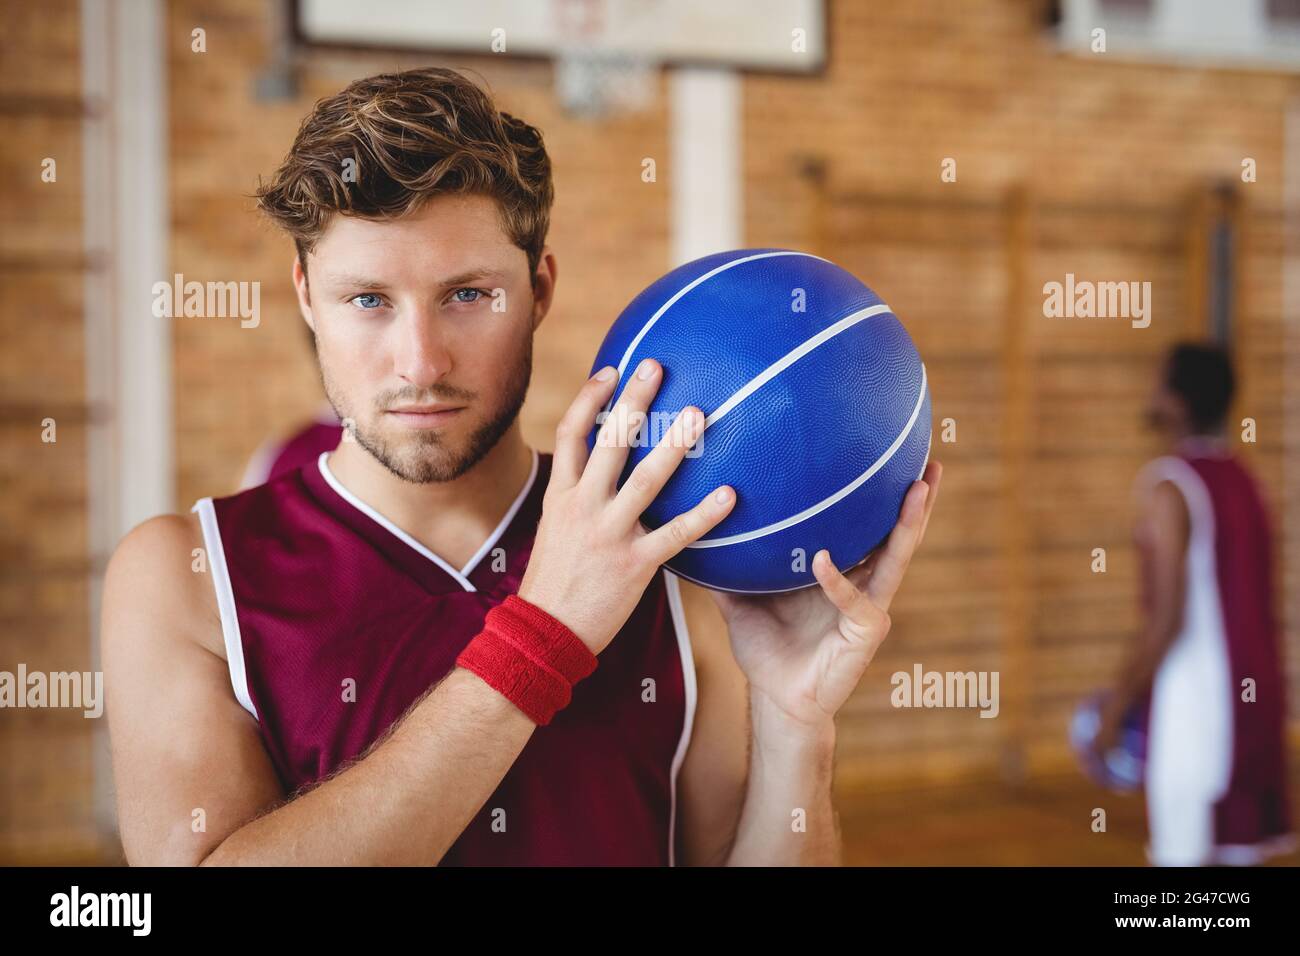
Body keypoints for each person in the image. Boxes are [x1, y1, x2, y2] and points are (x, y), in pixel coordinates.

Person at [102, 67, 940, 865]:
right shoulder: (185, 577)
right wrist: (544, 636)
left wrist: (796, 724)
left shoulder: (674, 555)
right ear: (304, 299)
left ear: (539, 290)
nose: (420, 362)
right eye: (368, 301)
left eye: (467, 295)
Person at [1097, 342, 1292, 865]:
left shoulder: (1170, 487)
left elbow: (1166, 620)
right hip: (1256, 698)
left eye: (1160, 383)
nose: (1151, 393)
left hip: (1196, 705)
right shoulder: (1244, 479)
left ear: (1179, 402)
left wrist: (1115, 708)